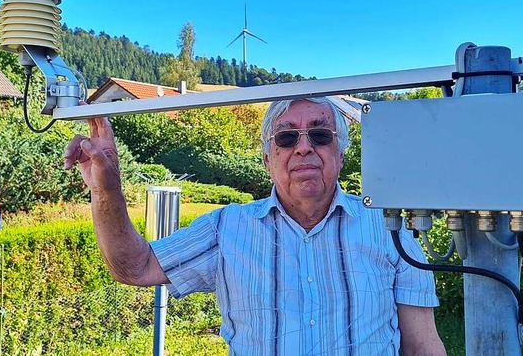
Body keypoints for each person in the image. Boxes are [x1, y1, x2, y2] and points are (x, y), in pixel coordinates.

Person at [64, 97, 446, 356]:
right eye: (286, 137)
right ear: (268, 158)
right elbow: (134, 266)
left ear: (340, 154)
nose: (303, 147)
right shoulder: (226, 228)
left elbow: (421, 347)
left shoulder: (390, 230)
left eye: (319, 134)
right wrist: (107, 188)